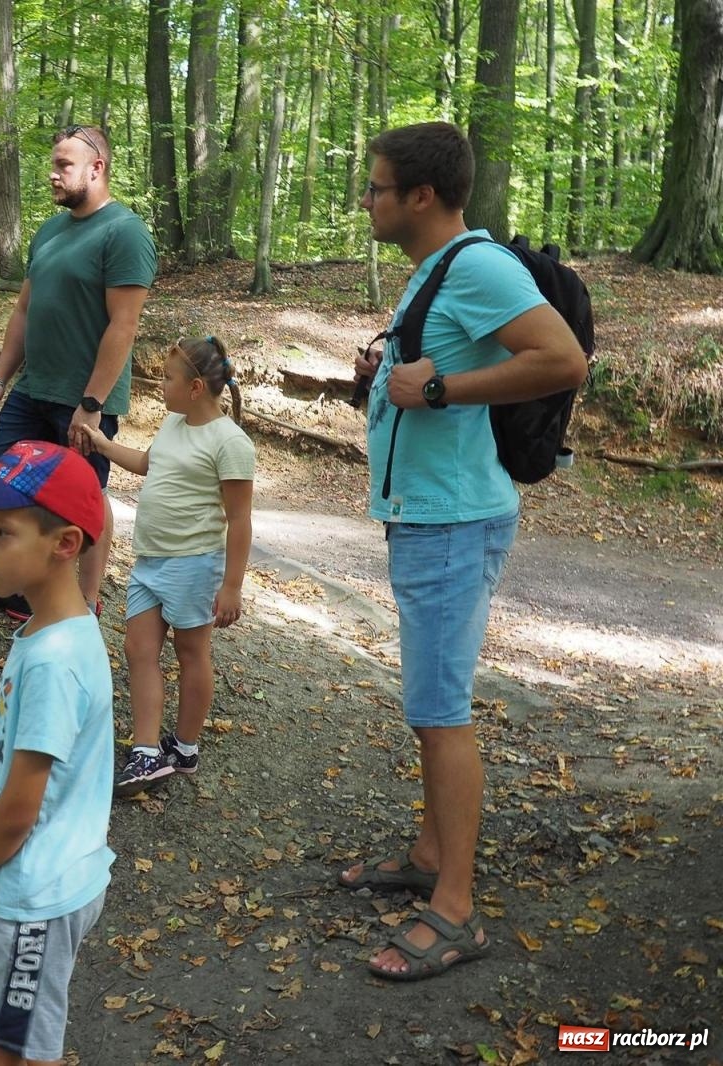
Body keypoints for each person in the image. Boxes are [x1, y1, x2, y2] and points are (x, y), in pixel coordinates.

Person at [338, 122, 587, 982]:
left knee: (441, 713)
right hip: (426, 516)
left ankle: (455, 909)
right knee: (427, 705)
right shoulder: (435, 272)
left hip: (452, 521)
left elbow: (562, 360)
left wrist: (439, 386)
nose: (365, 200)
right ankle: (429, 853)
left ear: (420, 196)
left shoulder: (477, 266)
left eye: (375, 187)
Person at [0, 441, 115, 1066]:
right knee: (8, 1037)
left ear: (64, 544)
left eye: (2, 531)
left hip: (35, 893)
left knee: (2, 1047)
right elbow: (4, 762)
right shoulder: (53, 631)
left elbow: (19, 805)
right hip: (33, 876)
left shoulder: (55, 663)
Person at [0, 124, 157, 621]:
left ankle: (85, 600)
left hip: (84, 398)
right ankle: (22, 584)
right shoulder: (49, 231)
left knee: (86, 498)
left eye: (63, 165)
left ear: (96, 169)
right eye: (53, 164)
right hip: (33, 388)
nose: (52, 175)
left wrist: (92, 406)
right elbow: (24, 312)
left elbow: (124, 324)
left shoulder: (125, 232)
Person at [78, 336, 254, 796]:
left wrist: (232, 586)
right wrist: (99, 443)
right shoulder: (174, 424)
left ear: (196, 387)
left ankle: (186, 746)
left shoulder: (230, 442)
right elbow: (145, 463)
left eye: (169, 377)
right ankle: (146, 750)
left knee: (191, 653)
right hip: (150, 560)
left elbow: (239, 521)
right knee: (138, 651)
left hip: (194, 565)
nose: (161, 382)